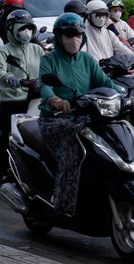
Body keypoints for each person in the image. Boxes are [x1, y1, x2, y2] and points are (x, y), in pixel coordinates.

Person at [36, 12, 111, 215]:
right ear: (59, 37)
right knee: (74, 141)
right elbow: (44, 84)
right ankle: (64, 201)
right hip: (56, 119)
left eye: (78, 35)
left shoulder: (87, 59)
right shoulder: (49, 60)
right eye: (69, 35)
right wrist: (55, 100)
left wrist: (126, 95)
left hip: (85, 117)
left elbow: (105, 83)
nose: (74, 39)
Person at [0, 9, 44, 180]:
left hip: (35, 100)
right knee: (8, 138)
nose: (26, 32)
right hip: (13, 100)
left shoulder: (37, 49)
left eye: (29, 28)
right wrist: (10, 78)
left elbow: (47, 69)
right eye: (22, 28)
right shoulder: (5, 51)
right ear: (13, 29)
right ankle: (0, 177)